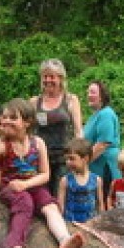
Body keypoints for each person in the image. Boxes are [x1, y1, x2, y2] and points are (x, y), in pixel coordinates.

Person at [0, 98, 85, 248]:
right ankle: (13, 245)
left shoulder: (37, 143)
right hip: (11, 188)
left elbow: (45, 174)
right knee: (25, 202)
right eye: (5, 117)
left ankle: (64, 239)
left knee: (50, 205)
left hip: (32, 185)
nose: (6, 121)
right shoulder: (1, 146)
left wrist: (27, 184)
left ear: (27, 122)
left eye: (13, 118)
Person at [30, 59, 83, 196]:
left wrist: (81, 157)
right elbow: (27, 130)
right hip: (40, 157)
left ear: (60, 78)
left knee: (61, 194)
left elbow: (78, 131)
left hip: (64, 158)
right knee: (42, 195)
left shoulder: (70, 100)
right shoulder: (35, 102)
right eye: (45, 76)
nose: (48, 80)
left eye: (52, 76)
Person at [83, 80, 121, 201]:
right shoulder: (95, 115)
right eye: (88, 92)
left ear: (102, 96)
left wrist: (83, 163)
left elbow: (103, 144)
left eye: (93, 92)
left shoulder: (106, 114)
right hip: (96, 168)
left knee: (106, 203)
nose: (89, 95)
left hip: (106, 168)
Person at [58, 138, 104, 223]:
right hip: (71, 223)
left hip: (91, 223)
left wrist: (102, 222)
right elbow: (61, 206)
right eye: (66, 159)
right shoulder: (65, 181)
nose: (68, 162)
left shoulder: (97, 180)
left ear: (85, 158)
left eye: (72, 159)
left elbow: (100, 204)